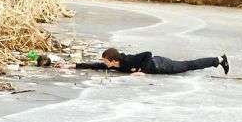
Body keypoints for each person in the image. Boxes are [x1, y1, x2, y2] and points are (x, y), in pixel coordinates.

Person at [57, 48, 230, 75]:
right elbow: (95, 66)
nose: (103, 63)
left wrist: (141, 71)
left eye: (105, 60)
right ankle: (218, 60)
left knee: (189, 65)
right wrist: (74, 65)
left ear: (113, 59)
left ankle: (219, 59)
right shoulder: (113, 64)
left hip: (161, 64)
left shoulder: (127, 60)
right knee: (189, 65)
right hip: (156, 67)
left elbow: (148, 53)